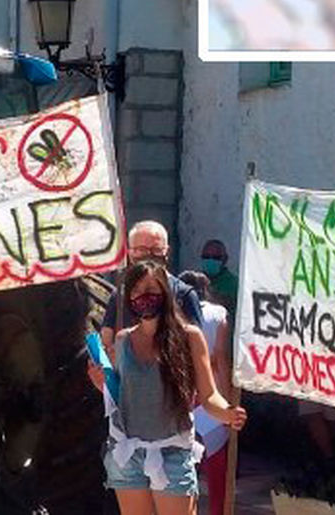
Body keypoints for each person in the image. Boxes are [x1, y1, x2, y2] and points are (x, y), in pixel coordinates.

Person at [91, 259, 246, 515]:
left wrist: (228, 413)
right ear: (129, 298)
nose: (144, 297)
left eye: (151, 290)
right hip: (127, 454)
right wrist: (102, 384)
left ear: (166, 293)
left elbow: (208, 395)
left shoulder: (190, 337)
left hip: (173, 452)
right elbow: (122, 395)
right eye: (137, 291)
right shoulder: (122, 340)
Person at [100, 221, 204, 358]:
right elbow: (106, 344)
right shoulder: (119, 296)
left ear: (166, 251)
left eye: (156, 250)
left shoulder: (184, 295)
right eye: (141, 250)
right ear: (130, 253)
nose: (148, 256)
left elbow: (197, 353)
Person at [178, 270, 233, 515]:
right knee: (217, 463)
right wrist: (227, 400)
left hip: (180, 393)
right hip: (210, 392)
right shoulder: (218, 314)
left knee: (180, 466)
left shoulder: (171, 314)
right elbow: (221, 358)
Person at [197, 240, 239, 312]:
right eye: (206, 257)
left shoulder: (233, 283)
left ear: (225, 259)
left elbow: (227, 303)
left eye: (216, 257)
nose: (210, 260)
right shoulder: (195, 279)